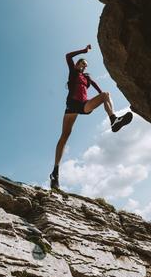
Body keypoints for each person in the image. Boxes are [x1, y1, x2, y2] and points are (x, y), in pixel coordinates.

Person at [50, 45, 133, 189]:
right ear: (77, 64)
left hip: (83, 105)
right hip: (72, 105)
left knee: (106, 94)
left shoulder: (87, 78)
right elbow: (68, 56)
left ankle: (113, 119)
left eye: (86, 65)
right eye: (82, 63)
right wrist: (83, 51)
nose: (84, 66)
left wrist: (104, 99)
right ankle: (55, 172)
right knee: (65, 136)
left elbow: (97, 88)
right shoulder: (73, 72)